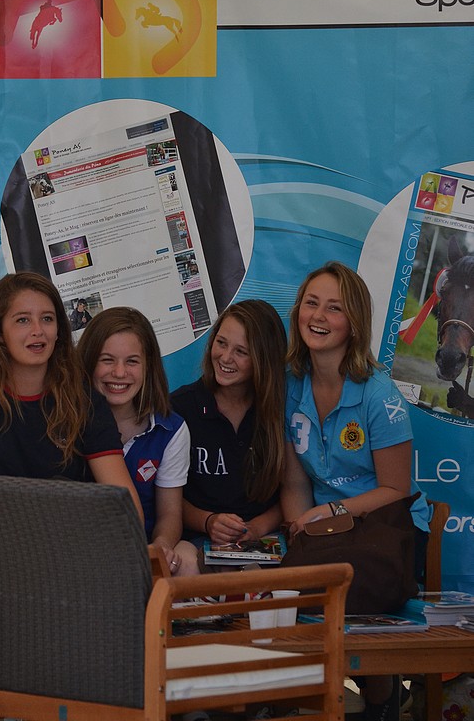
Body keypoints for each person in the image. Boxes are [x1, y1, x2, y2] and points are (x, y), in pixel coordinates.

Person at [281, 261, 430, 721]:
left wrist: (330, 512)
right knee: (284, 585)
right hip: (327, 527)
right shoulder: (291, 383)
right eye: (311, 303)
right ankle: (306, 699)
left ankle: (382, 698)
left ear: (354, 322)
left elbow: (394, 487)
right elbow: (293, 479)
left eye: (334, 308)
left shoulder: (377, 393)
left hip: (386, 524)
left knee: (346, 582)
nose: (318, 316)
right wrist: (297, 528)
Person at [0, 272, 143, 538]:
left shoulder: (82, 399)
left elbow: (123, 501)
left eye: (47, 319)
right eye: (23, 320)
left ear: (59, 331)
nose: (38, 330)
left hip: (71, 547)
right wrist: (19, 541)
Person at [171, 299, 288, 574]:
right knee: (182, 563)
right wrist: (209, 521)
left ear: (263, 359)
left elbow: (294, 493)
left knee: (258, 575)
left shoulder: (280, 410)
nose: (225, 358)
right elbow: (167, 498)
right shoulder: (181, 408)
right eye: (221, 343)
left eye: (241, 351)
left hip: (265, 539)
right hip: (199, 539)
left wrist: (257, 527)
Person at [77, 306, 194, 575]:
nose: (119, 373)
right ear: (87, 361)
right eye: (107, 360)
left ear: (148, 366)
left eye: (132, 361)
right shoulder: (68, 421)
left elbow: (170, 514)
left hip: (140, 551)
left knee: (185, 558)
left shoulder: (171, 429)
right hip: (79, 552)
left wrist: (160, 546)